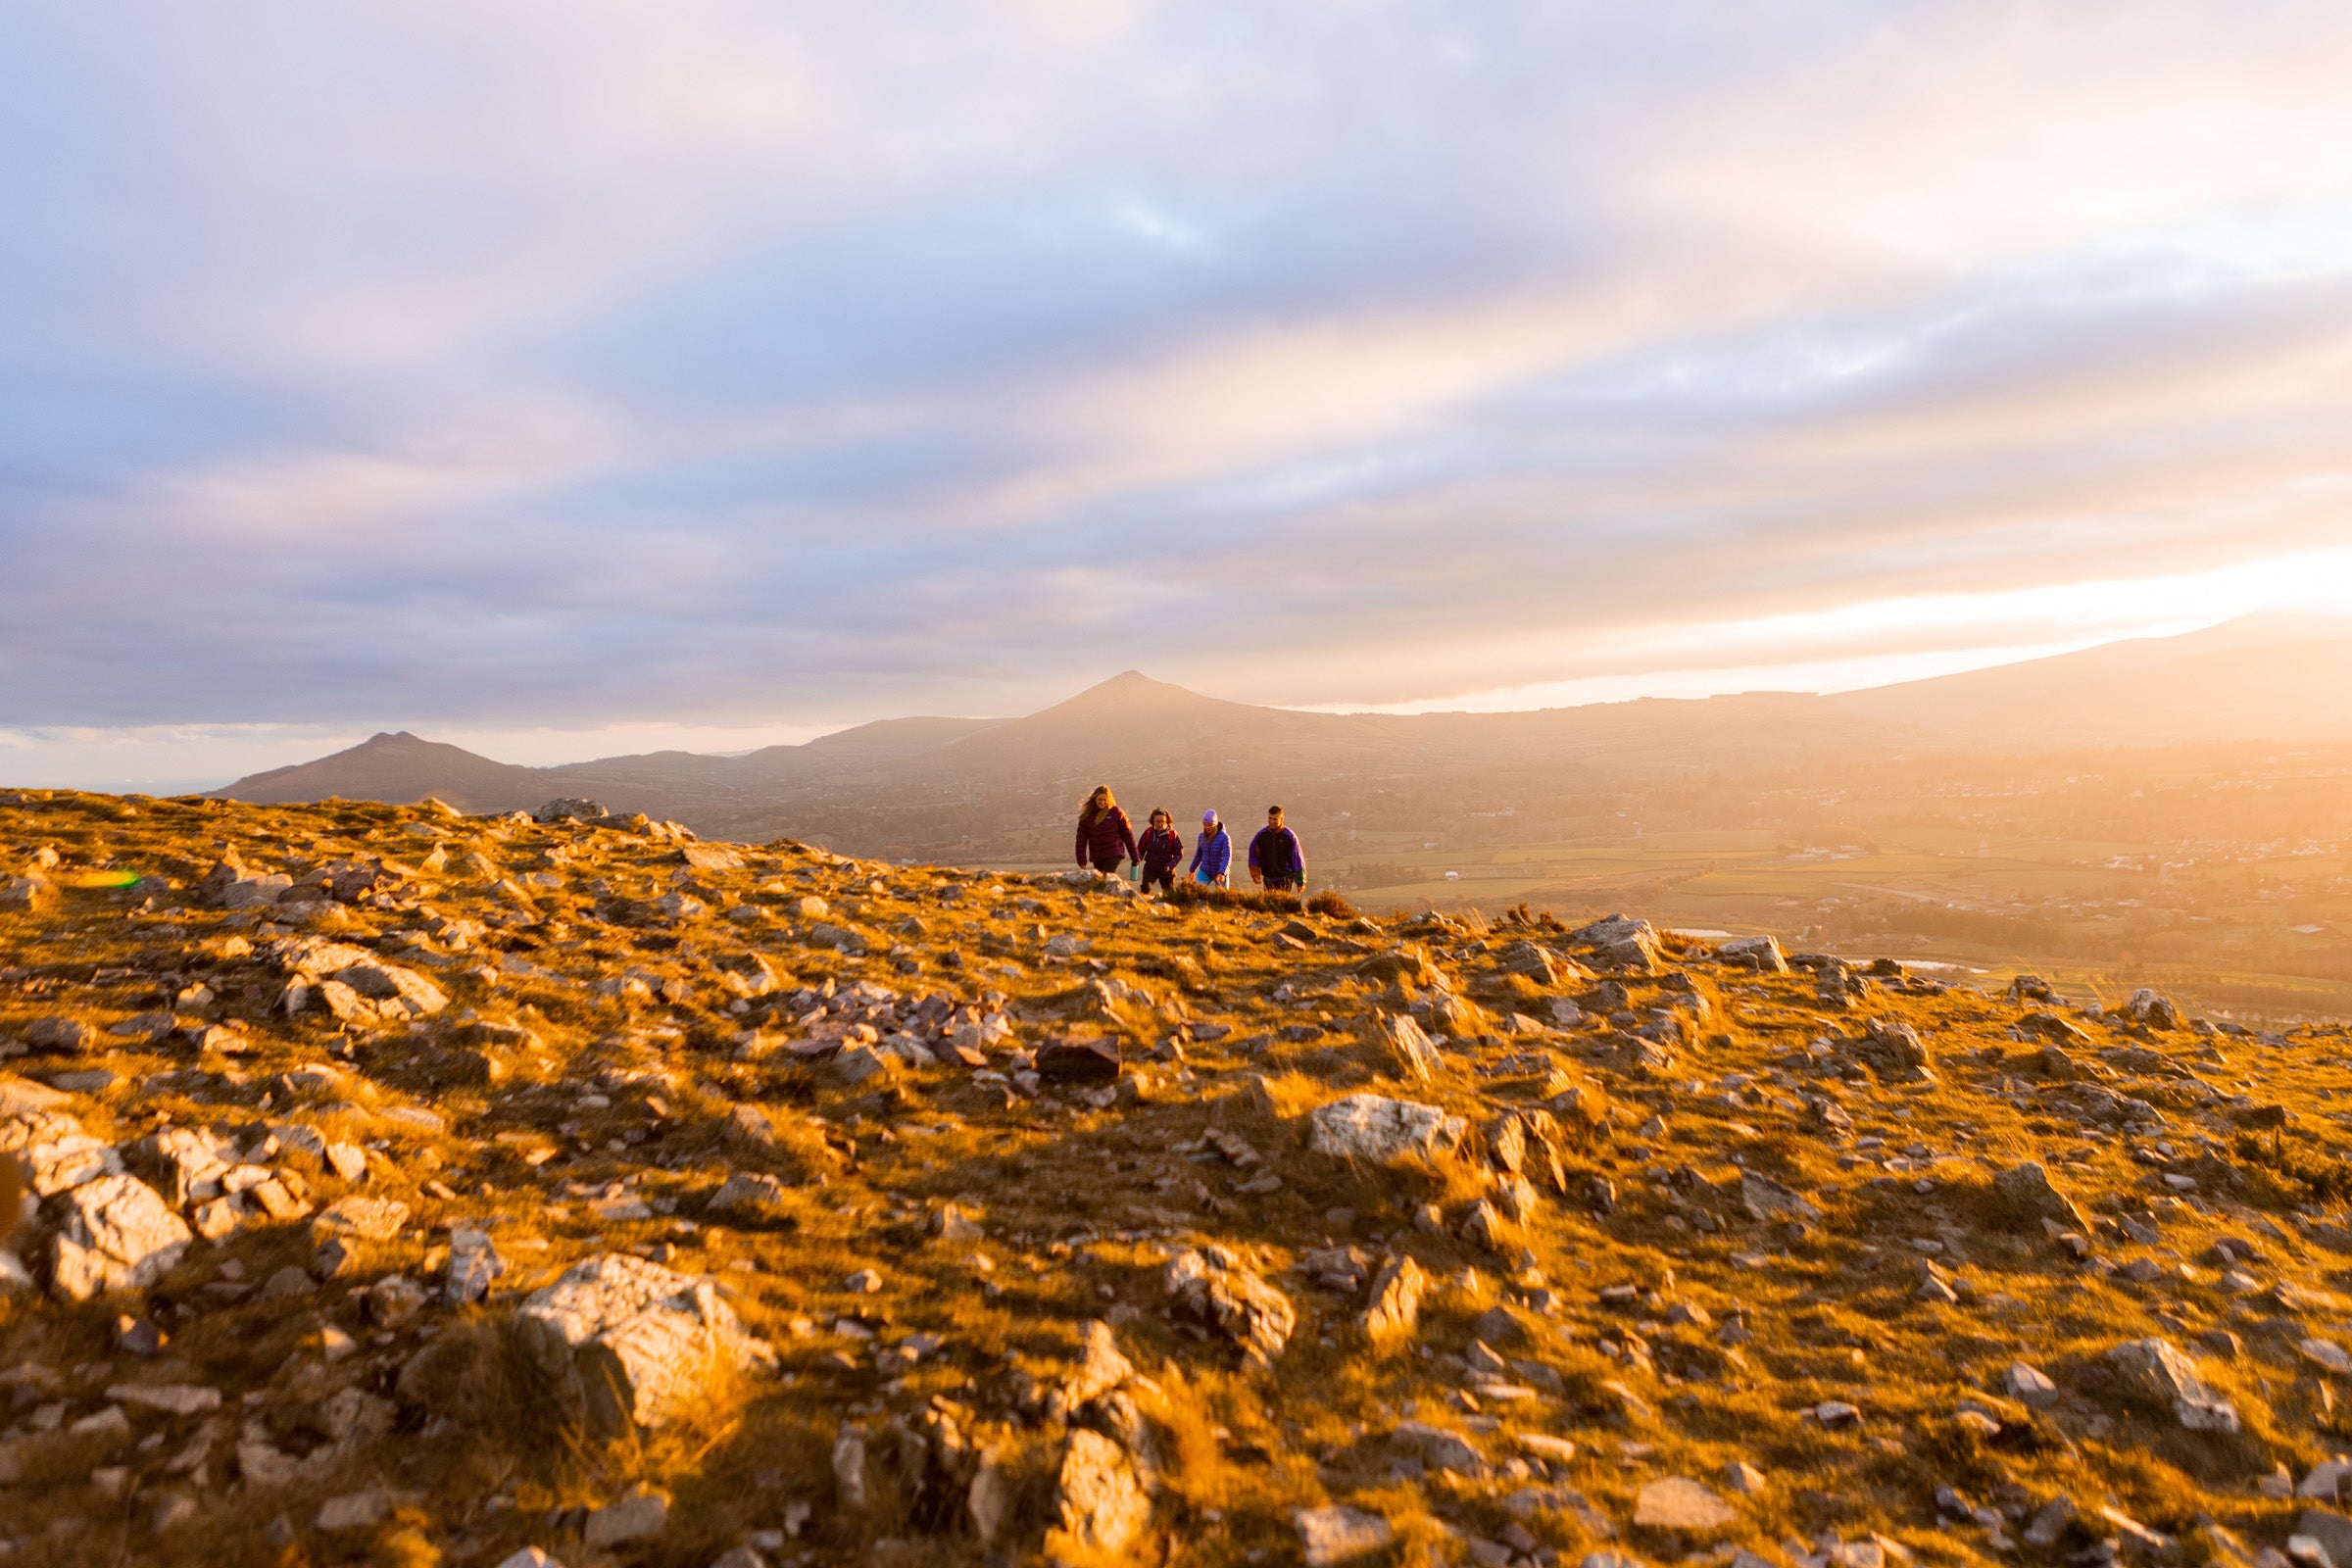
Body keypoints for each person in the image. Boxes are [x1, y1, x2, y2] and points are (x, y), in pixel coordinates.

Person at [1073, 784, 1139, 877]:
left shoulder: (1116, 812)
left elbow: (1128, 836)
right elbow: (1081, 840)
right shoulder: (1087, 816)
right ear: (1094, 798)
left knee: (1107, 877)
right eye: (1100, 799)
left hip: (1114, 852)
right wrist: (1081, 861)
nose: (1102, 802)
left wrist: (1135, 858)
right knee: (1099, 881)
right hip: (1097, 855)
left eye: (1105, 800)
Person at [1248, 805, 1306, 893]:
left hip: (1285, 877)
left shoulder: (1289, 836)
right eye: (1270, 818)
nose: (1271, 821)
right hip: (1268, 878)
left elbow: (1298, 858)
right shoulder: (1261, 835)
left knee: (1281, 905)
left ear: (1281, 819)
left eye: (1275, 819)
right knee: (1268, 905)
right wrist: (1255, 874)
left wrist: (1301, 882)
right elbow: (1253, 854)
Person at [1136, 808, 1185, 895]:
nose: (1160, 824)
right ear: (1153, 822)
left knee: (1169, 895)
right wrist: (1138, 858)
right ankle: (1145, 907)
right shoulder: (1148, 832)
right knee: (1145, 889)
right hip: (1150, 868)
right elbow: (1140, 849)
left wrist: (1170, 865)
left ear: (1167, 822)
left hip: (1167, 871)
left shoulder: (1173, 834)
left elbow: (1179, 854)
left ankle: (1164, 907)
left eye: (1163, 821)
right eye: (1157, 821)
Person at [1189, 808, 1232, 888]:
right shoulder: (1201, 837)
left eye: (1210, 825)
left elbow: (1227, 857)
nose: (1207, 828)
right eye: (1205, 825)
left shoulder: (1225, 838)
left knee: (1222, 897)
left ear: (1215, 825)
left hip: (1220, 872)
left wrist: (1222, 873)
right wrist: (1192, 869)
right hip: (1205, 871)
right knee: (1195, 891)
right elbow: (1198, 855)